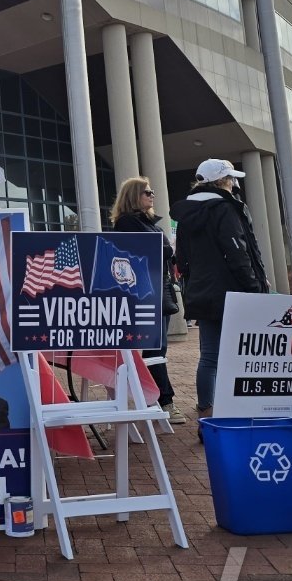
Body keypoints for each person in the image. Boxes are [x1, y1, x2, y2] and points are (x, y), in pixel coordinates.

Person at [168, 158, 270, 431]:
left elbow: (183, 258)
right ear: (223, 181)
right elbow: (238, 252)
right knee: (241, 353)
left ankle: (206, 413)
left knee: (209, 355)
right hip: (233, 290)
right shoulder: (226, 208)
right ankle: (238, 411)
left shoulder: (187, 213)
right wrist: (254, 287)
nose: (235, 184)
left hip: (203, 290)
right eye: (232, 179)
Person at [109, 176, 185, 423]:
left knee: (157, 348)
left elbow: (165, 253)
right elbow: (152, 251)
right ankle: (164, 401)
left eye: (152, 192)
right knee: (154, 348)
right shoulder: (128, 222)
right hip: (143, 293)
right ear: (133, 196)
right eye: (147, 192)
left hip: (156, 290)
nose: (152, 196)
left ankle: (156, 399)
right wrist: (166, 247)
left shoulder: (148, 222)